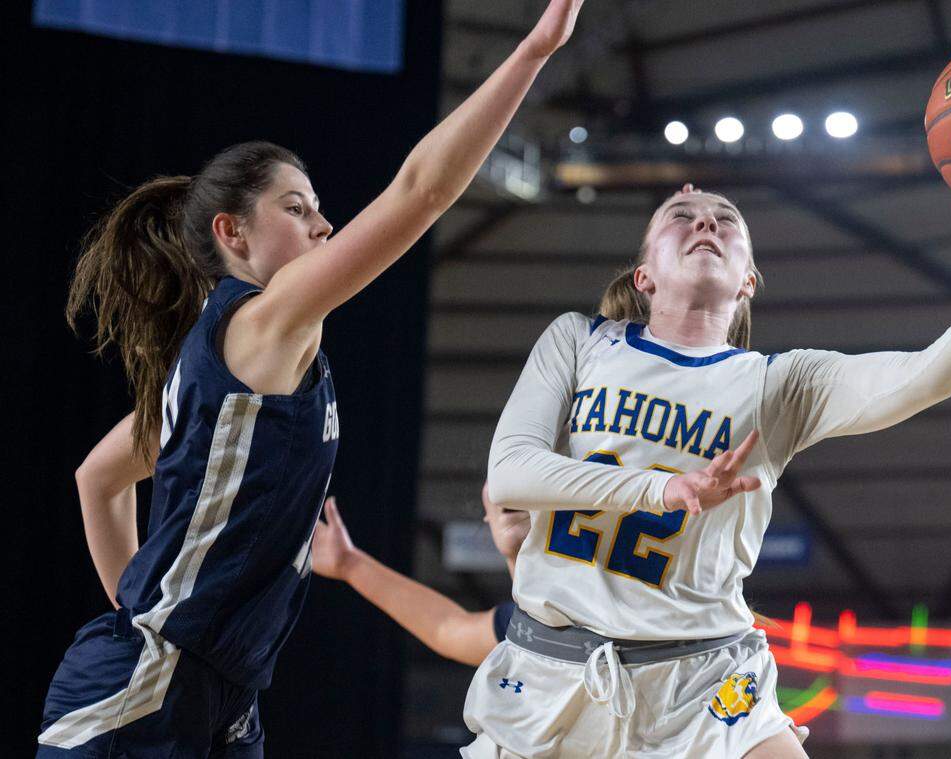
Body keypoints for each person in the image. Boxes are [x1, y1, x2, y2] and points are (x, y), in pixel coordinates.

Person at [36, 2, 584, 756]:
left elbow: (97, 476)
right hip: (151, 686)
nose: (325, 226)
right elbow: (420, 191)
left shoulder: (226, 370)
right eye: (298, 209)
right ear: (233, 234)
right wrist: (534, 50)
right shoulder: (258, 321)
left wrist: (150, 607)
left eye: (321, 210)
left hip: (224, 693)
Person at [463, 131, 951, 758]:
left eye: (725, 220)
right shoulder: (580, 340)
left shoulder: (781, 382)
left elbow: (928, 373)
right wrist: (664, 488)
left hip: (704, 675)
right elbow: (512, 470)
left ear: (748, 278)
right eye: (681, 215)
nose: (706, 224)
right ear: (644, 277)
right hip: (551, 667)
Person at [311, 485, 526, 666]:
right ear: (486, 516)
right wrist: (349, 563)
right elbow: (446, 628)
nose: (508, 484)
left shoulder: (554, 610)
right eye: (499, 471)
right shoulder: (521, 627)